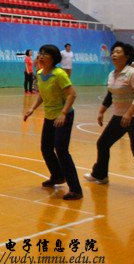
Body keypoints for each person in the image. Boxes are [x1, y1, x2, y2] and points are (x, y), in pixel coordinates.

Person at [83, 42, 134, 198]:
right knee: (103, 143)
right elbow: (110, 94)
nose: (114, 54)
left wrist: (129, 113)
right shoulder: (112, 74)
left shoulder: (132, 73)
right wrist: (101, 111)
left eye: (118, 52)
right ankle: (100, 175)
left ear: (126, 56)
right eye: (113, 52)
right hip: (119, 116)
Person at [23, 44, 82, 200]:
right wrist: (32, 108)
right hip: (49, 116)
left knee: (61, 150)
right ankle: (57, 176)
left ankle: (76, 189)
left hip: (63, 116)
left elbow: (72, 94)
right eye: (41, 53)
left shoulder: (59, 74)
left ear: (54, 58)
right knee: (46, 148)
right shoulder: (40, 73)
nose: (41, 56)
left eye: (45, 54)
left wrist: (63, 113)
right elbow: (42, 94)